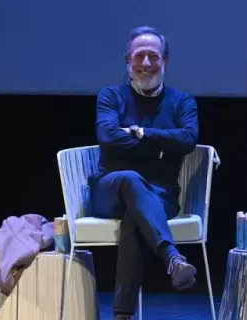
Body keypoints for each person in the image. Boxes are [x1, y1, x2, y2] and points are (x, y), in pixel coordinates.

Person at [88, 26, 199, 320]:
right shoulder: (111, 96)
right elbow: (108, 136)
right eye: (140, 56)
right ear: (128, 60)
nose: (146, 64)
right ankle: (172, 258)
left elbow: (188, 139)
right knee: (131, 178)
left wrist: (140, 134)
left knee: (135, 217)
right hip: (109, 189)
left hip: (160, 195)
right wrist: (162, 145)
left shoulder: (182, 102)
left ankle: (122, 315)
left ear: (165, 62)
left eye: (154, 56)